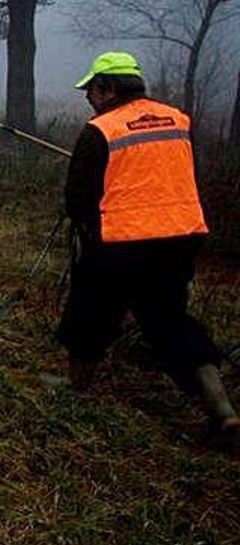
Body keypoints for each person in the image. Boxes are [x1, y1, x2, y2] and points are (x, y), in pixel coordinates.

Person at [58, 51, 239, 446]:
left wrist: (87, 229)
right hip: (180, 240)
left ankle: (76, 388)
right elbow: (183, 176)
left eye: (92, 88)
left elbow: (78, 200)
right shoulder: (179, 121)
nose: (89, 96)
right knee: (171, 321)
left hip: (121, 243)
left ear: (109, 87)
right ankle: (221, 407)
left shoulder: (100, 130)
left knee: (89, 310)